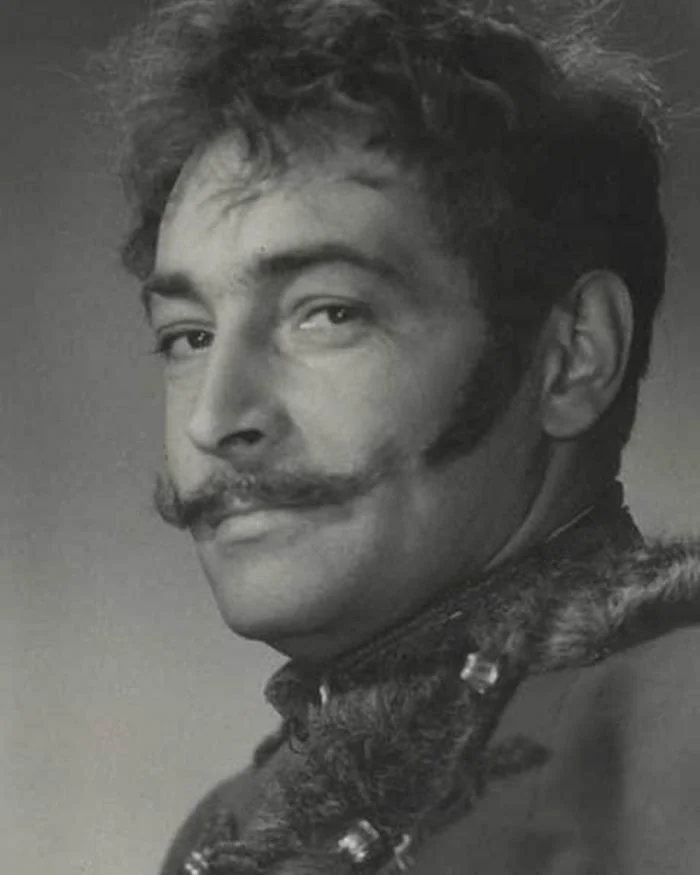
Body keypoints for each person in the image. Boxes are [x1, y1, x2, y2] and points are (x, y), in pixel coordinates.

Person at [108, 0, 700, 872]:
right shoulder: (231, 828)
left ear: (575, 355)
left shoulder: (673, 731)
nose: (215, 418)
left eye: (328, 313)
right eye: (188, 336)